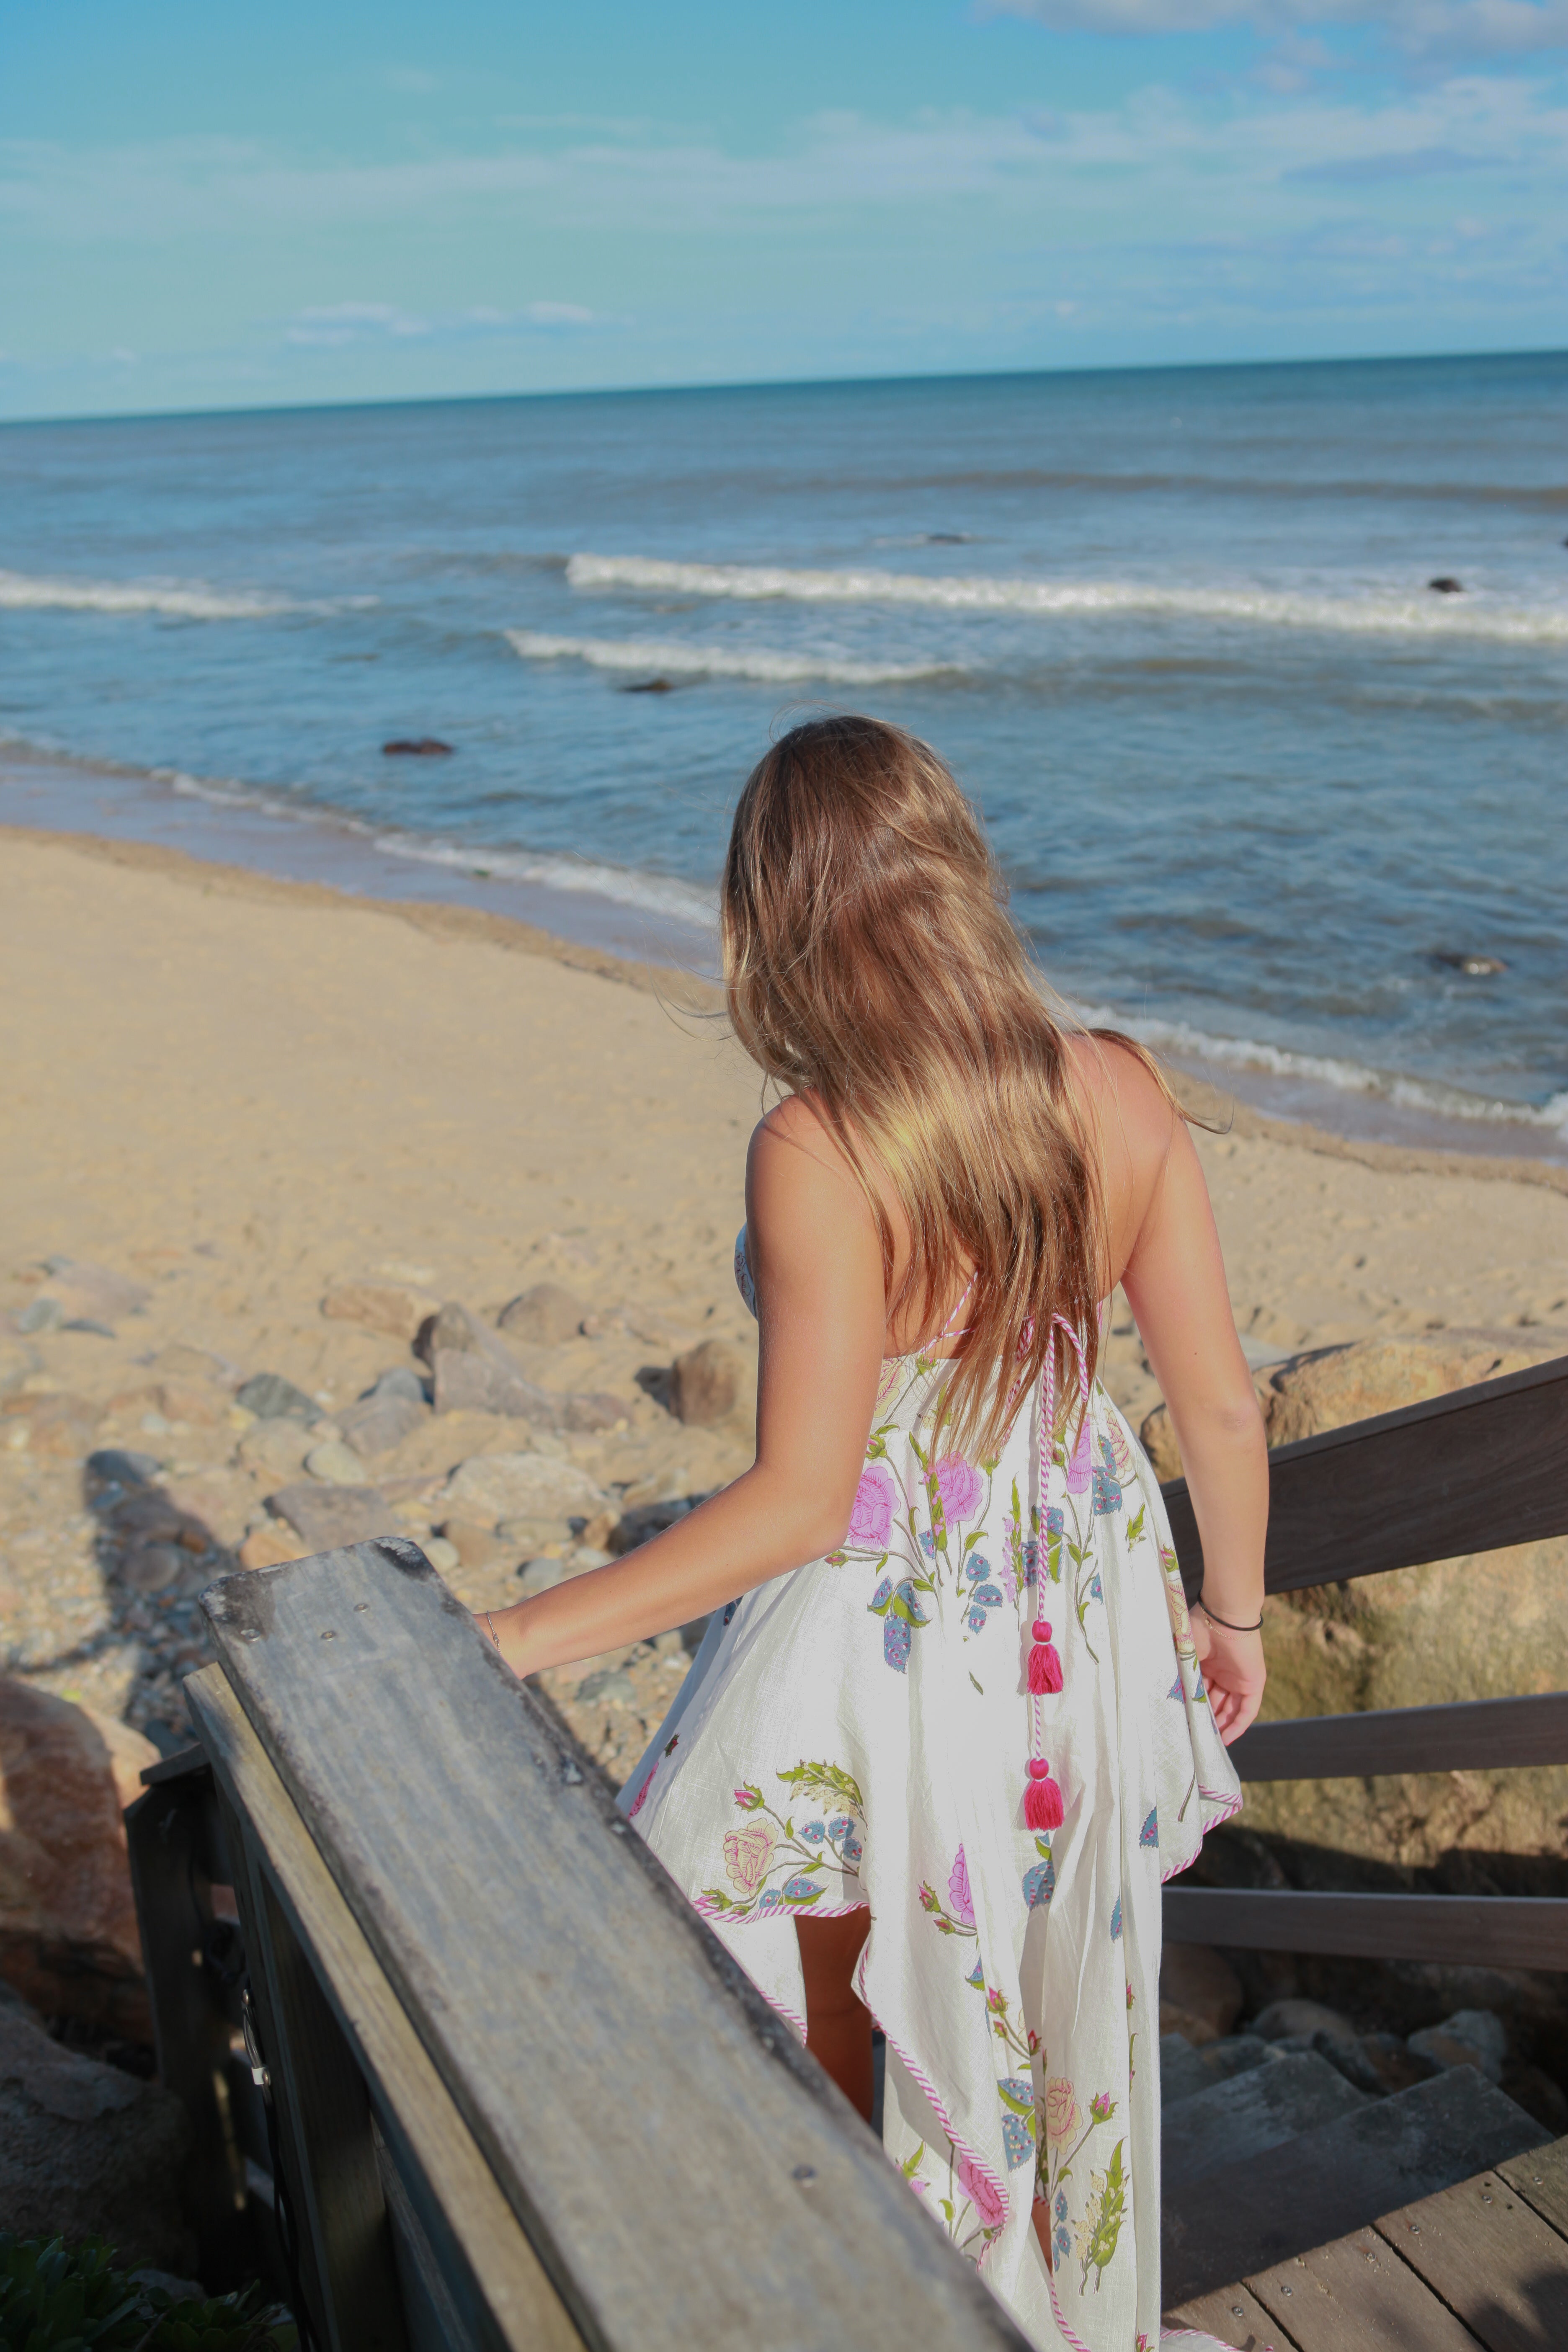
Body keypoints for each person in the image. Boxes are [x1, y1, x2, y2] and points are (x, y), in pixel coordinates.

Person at [479, 716, 1267, 2352]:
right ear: (955, 868)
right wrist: (1233, 1617)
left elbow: (796, 1497)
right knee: (1045, 1993)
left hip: (893, 1639)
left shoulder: (825, 1144)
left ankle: (884, 2306)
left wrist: (522, 1635)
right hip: (1084, 1617)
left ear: (774, 918)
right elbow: (1224, 1409)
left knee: (842, 1995)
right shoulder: (1118, 1089)